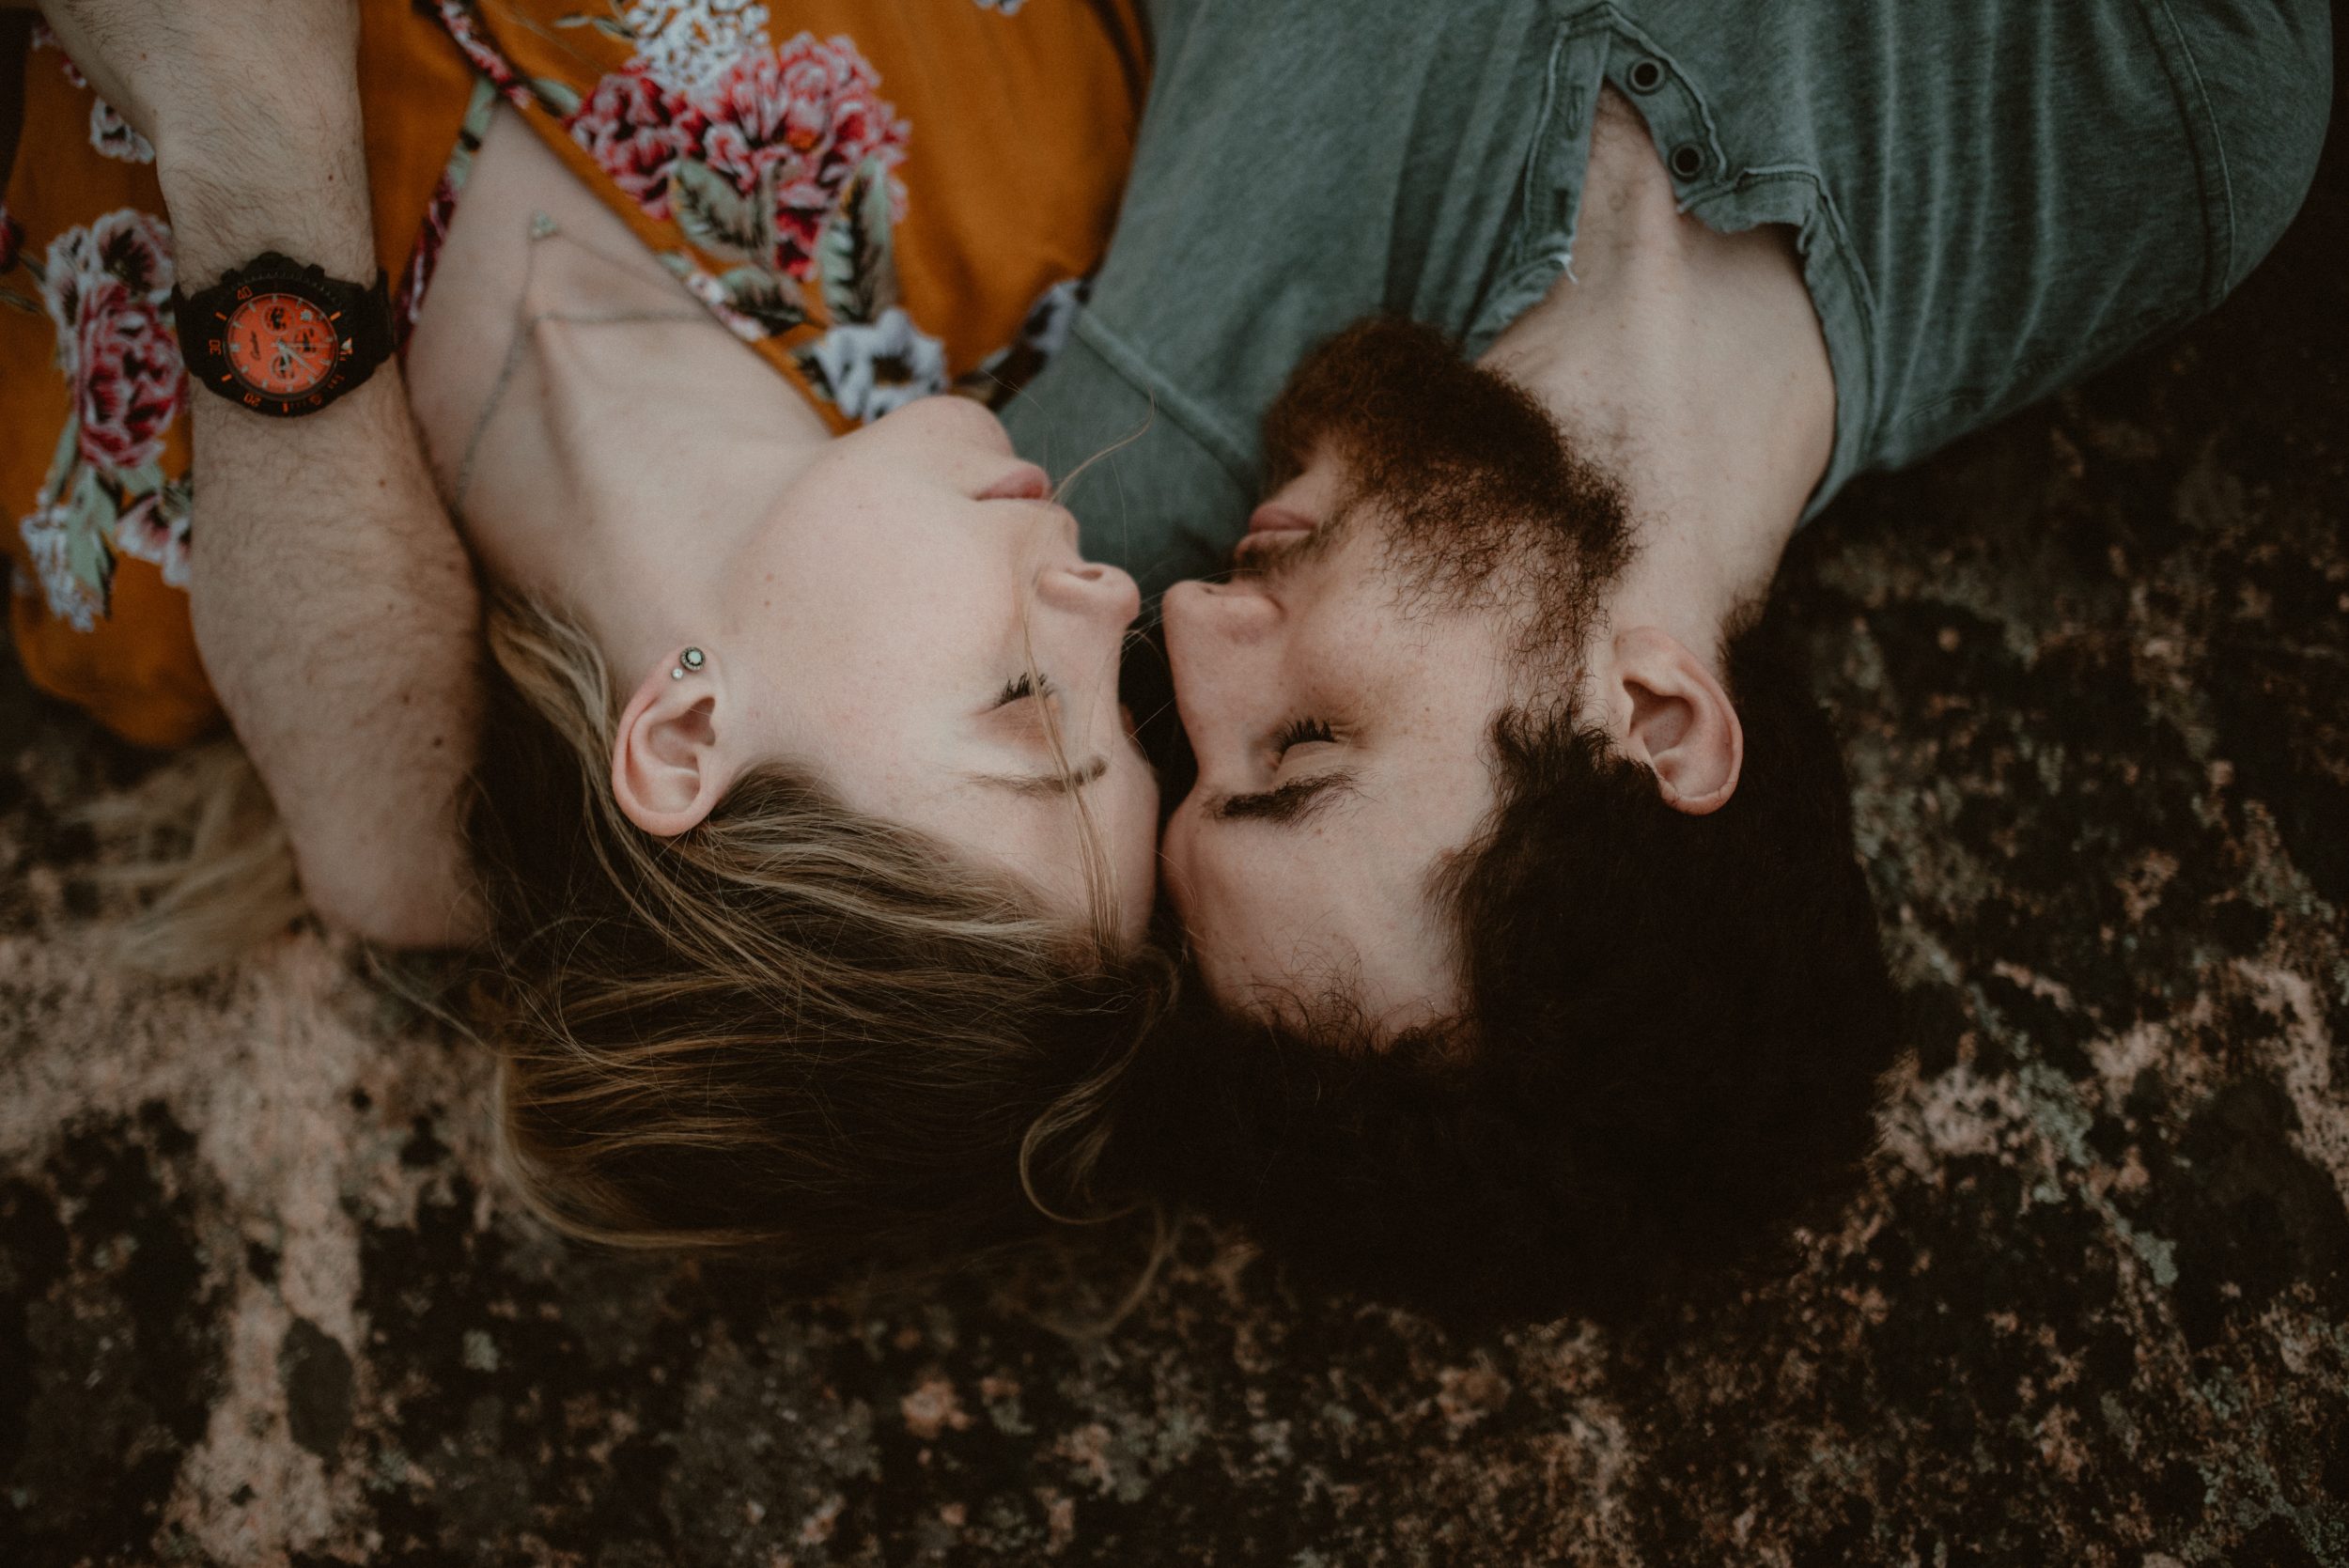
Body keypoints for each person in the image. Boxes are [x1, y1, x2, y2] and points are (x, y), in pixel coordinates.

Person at [997, 0, 2334, 1323]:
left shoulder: (1094, 502)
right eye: (1304, 744)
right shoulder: (2166, 112)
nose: (1182, 621)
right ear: (1653, 718)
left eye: (1205, 763)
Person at [2, 0, 1174, 1274]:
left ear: (687, 736)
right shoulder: (1032, 168)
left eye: (1025, 700)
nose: (1110, 597)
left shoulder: (119, 539)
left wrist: (254, 163)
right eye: (1119, 696)